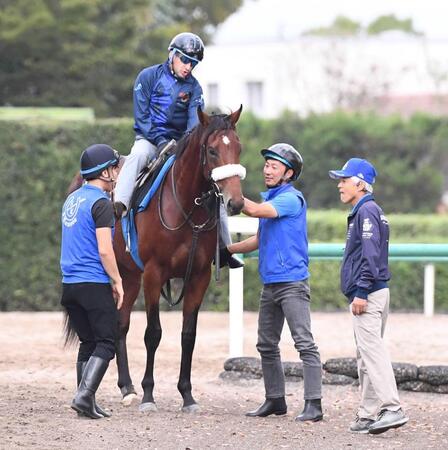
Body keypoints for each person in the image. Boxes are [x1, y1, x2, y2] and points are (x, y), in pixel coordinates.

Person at [113, 31, 242, 268]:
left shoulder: (195, 88)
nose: (188, 67)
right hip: (150, 140)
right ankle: (119, 204)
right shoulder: (148, 76)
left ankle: (223, 249)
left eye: (193, 63)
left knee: (213, 189)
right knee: (138, 156)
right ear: (172, 55)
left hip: (179, 143)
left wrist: (184, 145)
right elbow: (142, 117)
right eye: (185, 60)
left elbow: (195, 125)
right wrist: (161, 141)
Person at [225, 143, 323, 422]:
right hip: (271, 283)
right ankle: (275, 400)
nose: (267, 170)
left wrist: (231, 189)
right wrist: (227, 250)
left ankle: (314, 404)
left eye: (274, 166)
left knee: (304, 343)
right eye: (266, 165)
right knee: (266, 344)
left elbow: (254, 211)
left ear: (288, 174)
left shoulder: (291, 199)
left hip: (292, 282)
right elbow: (258, 239)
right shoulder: (273, 199)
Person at [328, 158, 409, 435]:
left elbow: (370, 256)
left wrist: (361, 291)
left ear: (360, 183)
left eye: (344, 179)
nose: (339, 184)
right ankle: (367, 415)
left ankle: (392, 408)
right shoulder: (366, 210)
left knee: (372, 353)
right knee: (365, 356)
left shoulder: (367, 211)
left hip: (369, 293)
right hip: (374, 292)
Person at [61, 144, 124, 419]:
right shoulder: (102, 204)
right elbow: (104, 249)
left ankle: (85, 401)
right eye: (115, 169)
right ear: (105, 172)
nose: (117, 174)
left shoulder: (72, 200)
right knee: (107, 342)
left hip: (70, 286)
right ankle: (84, 396)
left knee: (88, 342)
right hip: (93, 283)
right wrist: (117, 280)